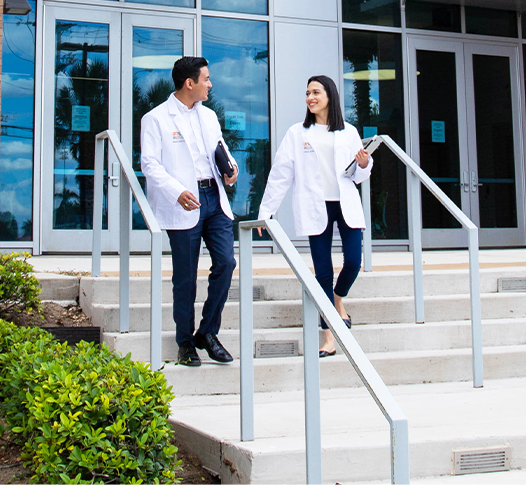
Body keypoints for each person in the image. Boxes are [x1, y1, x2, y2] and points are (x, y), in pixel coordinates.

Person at [257, 75, 372, 357]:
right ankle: (329, 335)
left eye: (316, 92)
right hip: (315, 205)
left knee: (354, 262)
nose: (310, 98)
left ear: (329, 96)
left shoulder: (349, 132)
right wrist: (266, 210)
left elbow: (359, 176)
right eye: (308, 93)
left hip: (344, 204)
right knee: (322, 272)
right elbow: (281, 172)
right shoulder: (298, 133)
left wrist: (364, 164)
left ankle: (338, 299)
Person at [141, 56, 238, 367]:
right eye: (206, 79)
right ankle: (185, 343)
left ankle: (207, 332)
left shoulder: (209, 116)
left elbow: (220, 148)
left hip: (214, 197)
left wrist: (231, 169)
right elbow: (150, 165)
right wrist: (175, 191)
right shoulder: (155, 119)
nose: (210, 84)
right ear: (189, 83)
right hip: (183, 202)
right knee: (185, 278)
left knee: (226, 261)